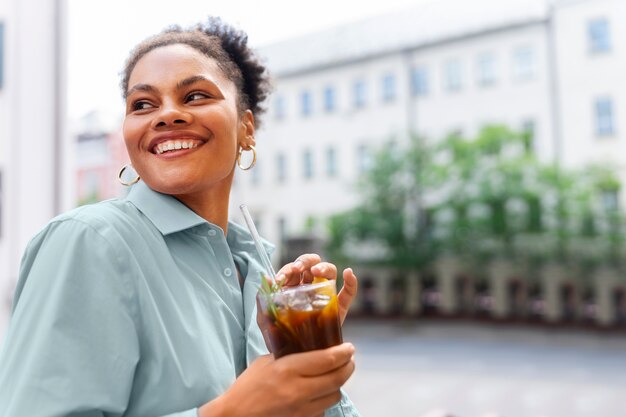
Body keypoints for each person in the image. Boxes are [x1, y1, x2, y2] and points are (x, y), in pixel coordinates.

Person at [0, 17, 361, 417]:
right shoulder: (89, 242)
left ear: (246, 129)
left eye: (194, 96)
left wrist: (307, 357)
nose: (166, 115)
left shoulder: (256, 269)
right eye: (142, 104)